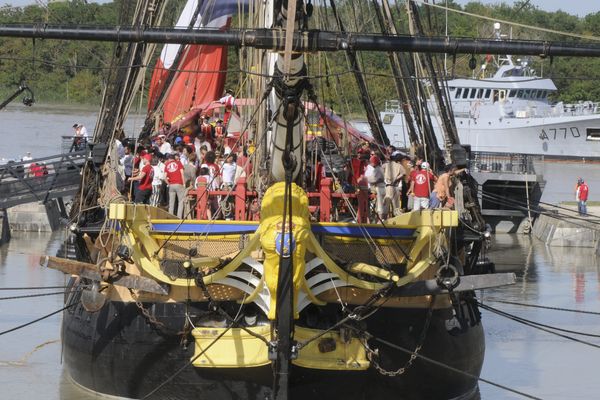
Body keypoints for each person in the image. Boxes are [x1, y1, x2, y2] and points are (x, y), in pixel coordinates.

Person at [164, 153, 186, 218]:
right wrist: (184, 183)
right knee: (181, 201)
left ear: (169, 159)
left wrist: (169, 184)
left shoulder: (166, 165)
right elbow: (182, 174)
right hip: (179, 183)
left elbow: (164, 177)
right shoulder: (178, 163)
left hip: (171, 185)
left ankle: (170, 217)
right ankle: (179, 217)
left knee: (171, 203)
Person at [364, 155, 386, 220]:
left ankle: (380, 220)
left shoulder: (378, 169)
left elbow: (375, 179)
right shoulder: (379, 168)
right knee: (380, 205)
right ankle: (379, 219)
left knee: (379, 206)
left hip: (379, 188)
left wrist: (366, 178)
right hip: (381, 188)